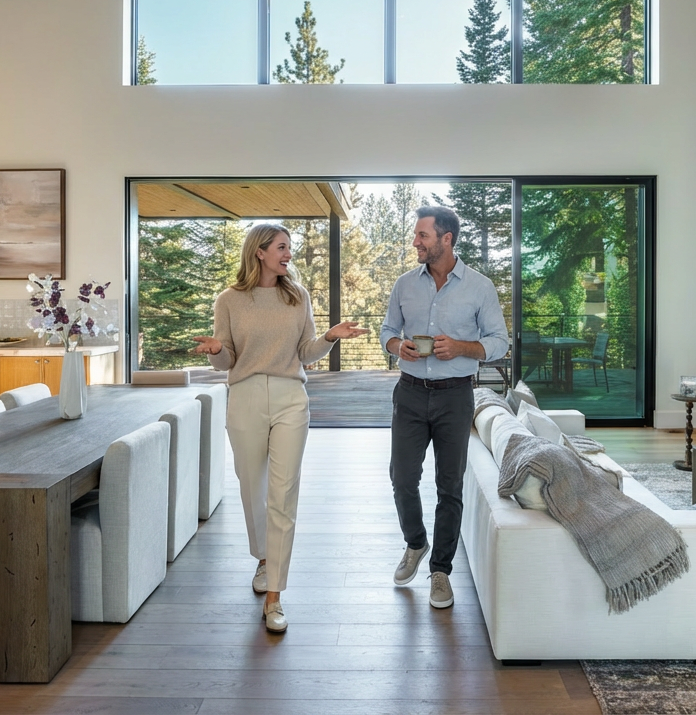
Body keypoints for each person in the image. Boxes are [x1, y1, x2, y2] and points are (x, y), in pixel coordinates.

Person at [193, 223, 367, 633]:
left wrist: (329, 336)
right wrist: (217, 350)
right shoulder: (229, 300)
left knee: (283, 493)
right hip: (246, 395)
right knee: (252, 488)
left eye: (289, 247)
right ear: (260, 252)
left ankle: (275, 595)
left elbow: (305, 353)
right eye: (282, 247)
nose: (289, 254)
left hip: (291, 397)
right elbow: (226, 359)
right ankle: (264, 558)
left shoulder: (297, 296)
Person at [379, 206, 508, 608]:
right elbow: (388, 330)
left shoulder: (480, 287)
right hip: (410, 392)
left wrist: (462, 348)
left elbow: (499, 342)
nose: (415, 242)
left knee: (449, 485)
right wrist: (397, 346)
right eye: (416, 235)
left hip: (455, 396)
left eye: (422, 235)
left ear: (446, 239)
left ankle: (441, 571)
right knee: (402, 477)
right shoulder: (404, 284)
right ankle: (416, 542)